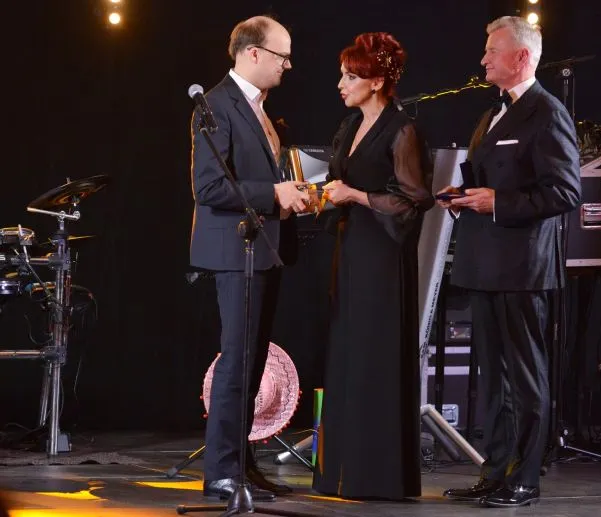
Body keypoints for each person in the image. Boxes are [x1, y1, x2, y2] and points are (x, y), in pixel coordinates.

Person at [438, 16, 581, 508]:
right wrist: (463, 196)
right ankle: (495, 472)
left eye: (491, 50)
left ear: (521, 57)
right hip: (483, 262)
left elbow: (565, 191)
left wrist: (496, 202)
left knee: (524, 377)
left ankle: (526, 477)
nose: (483, 59)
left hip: (521, 267)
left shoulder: (547, 112)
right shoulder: (492, 114)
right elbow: (492, 179)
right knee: (493, 379)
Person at [189, 15, 311, 501]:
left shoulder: (259, 108)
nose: (288, 65)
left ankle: (241, 464)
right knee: (237, 361)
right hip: (234, 248)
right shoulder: (216, 105)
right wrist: (274, 194)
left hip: (263, 249)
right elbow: (209, 187)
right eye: (282, 55)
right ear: (252, 53)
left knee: (253, 361)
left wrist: (291, 191)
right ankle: (221, 471)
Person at [311, 32, 434, 500]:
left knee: (373, 355)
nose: (341, 84)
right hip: (351, 250)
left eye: (350, 76)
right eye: (342, 75)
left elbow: (413, 200)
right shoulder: (349, 126)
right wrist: (320, 194)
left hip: (382, 257)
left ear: (377, 81)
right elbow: (338, 181)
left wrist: (357, 196)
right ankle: (340, 472)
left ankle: (376, 476)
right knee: (347, 352)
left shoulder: (402, 129)